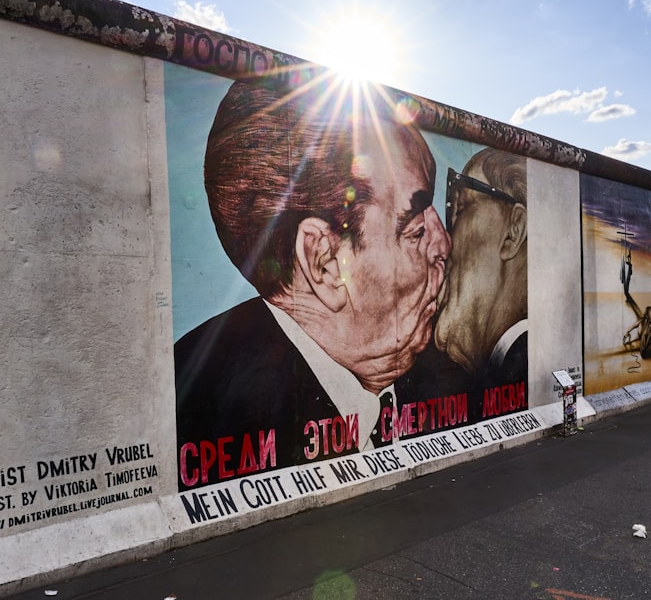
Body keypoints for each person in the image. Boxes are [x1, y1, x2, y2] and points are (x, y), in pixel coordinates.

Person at [174, 80, 454, 490]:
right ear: (323, 262)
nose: (443, 243)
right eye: (414, 231)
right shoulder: (198, 410)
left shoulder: (447, 380)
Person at [433, 148, 528, 421]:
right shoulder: (499, 365)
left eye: (461, 207)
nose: (444, 240)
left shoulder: (524, 362)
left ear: (513, 231)